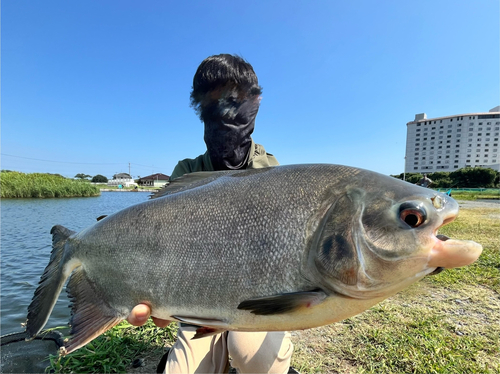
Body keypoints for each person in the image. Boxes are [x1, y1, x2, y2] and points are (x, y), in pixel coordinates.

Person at [127, 54, 294, 374]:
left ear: (255, 102)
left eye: (234, 101)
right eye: (212, 104)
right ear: (200, 109)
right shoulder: (187, 172)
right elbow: (163, 245)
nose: (225, 114)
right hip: (202, 302)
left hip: (257, 301)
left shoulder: (269, 171)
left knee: (251, 354)